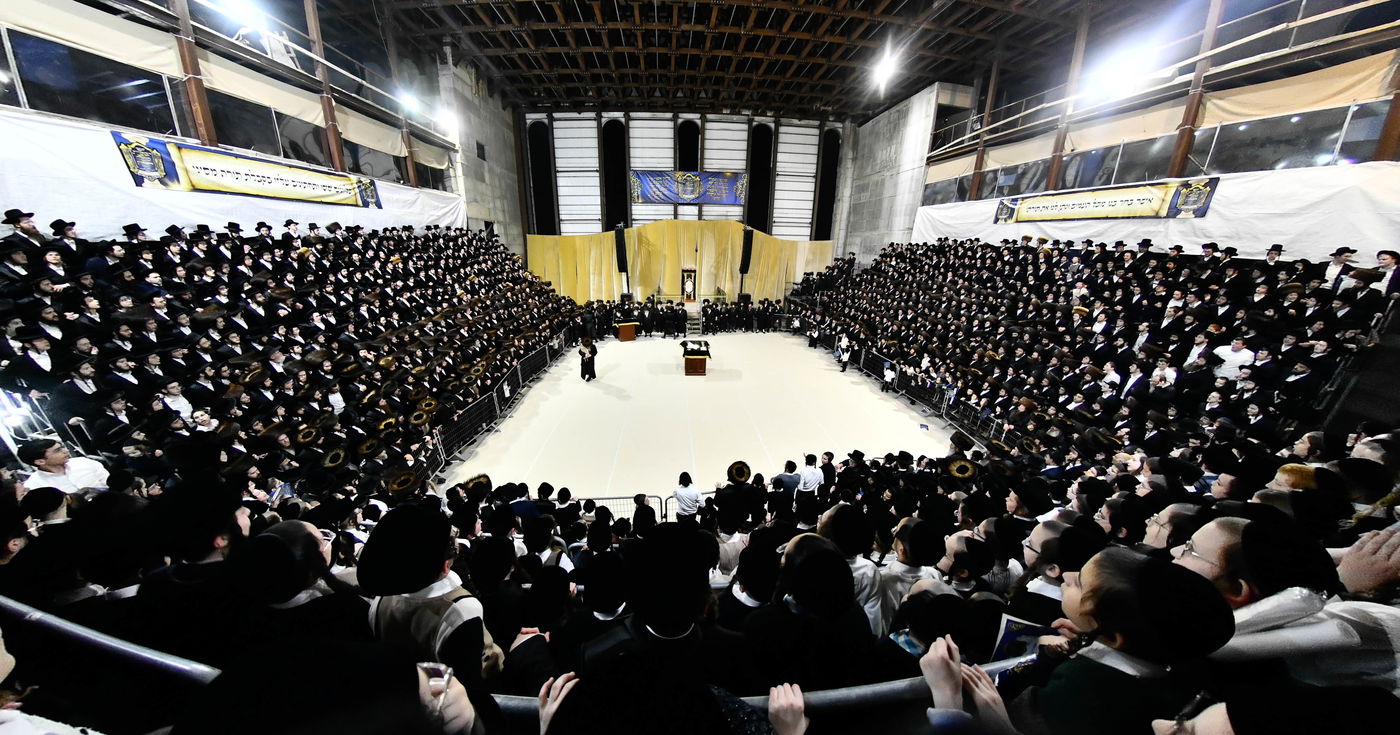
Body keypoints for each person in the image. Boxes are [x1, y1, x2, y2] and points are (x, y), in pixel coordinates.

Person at [16, 438, 109, 494]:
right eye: (58, 450)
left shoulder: (83, 462)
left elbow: (109, 482)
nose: (66, 451)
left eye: (62, 447)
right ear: (40, 461)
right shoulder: (35, 486)